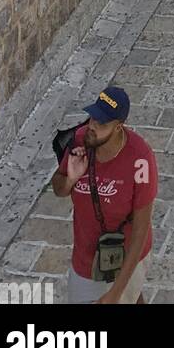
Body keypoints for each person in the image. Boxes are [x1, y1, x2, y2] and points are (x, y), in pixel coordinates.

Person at [52, 84, 158, 305]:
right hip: (86, 257)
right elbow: (58, 189)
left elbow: (140, 229)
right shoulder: (81, 139)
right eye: (92, 118)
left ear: (119, 127)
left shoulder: (140, 158)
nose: (93, 126)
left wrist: (115, 294)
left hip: (127, 255)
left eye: (102, 123)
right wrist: (71, 177)